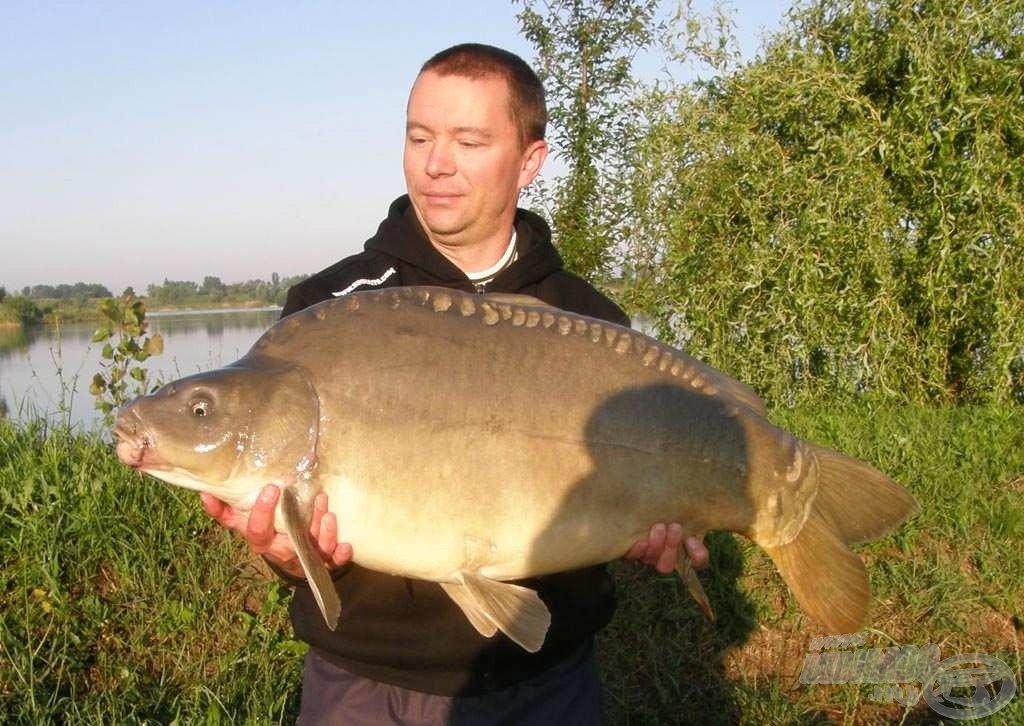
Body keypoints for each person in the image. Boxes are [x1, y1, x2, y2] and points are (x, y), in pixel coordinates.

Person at [201, 43, 709, 724]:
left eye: (468, 140)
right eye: (419, 136)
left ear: (530, 161)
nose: (435, 163)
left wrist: (667, 529)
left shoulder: (589, 323)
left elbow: (636, 508)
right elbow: (295, 541)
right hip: (362, 683)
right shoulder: (326, 311)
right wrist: (287, 555)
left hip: (548, 685)